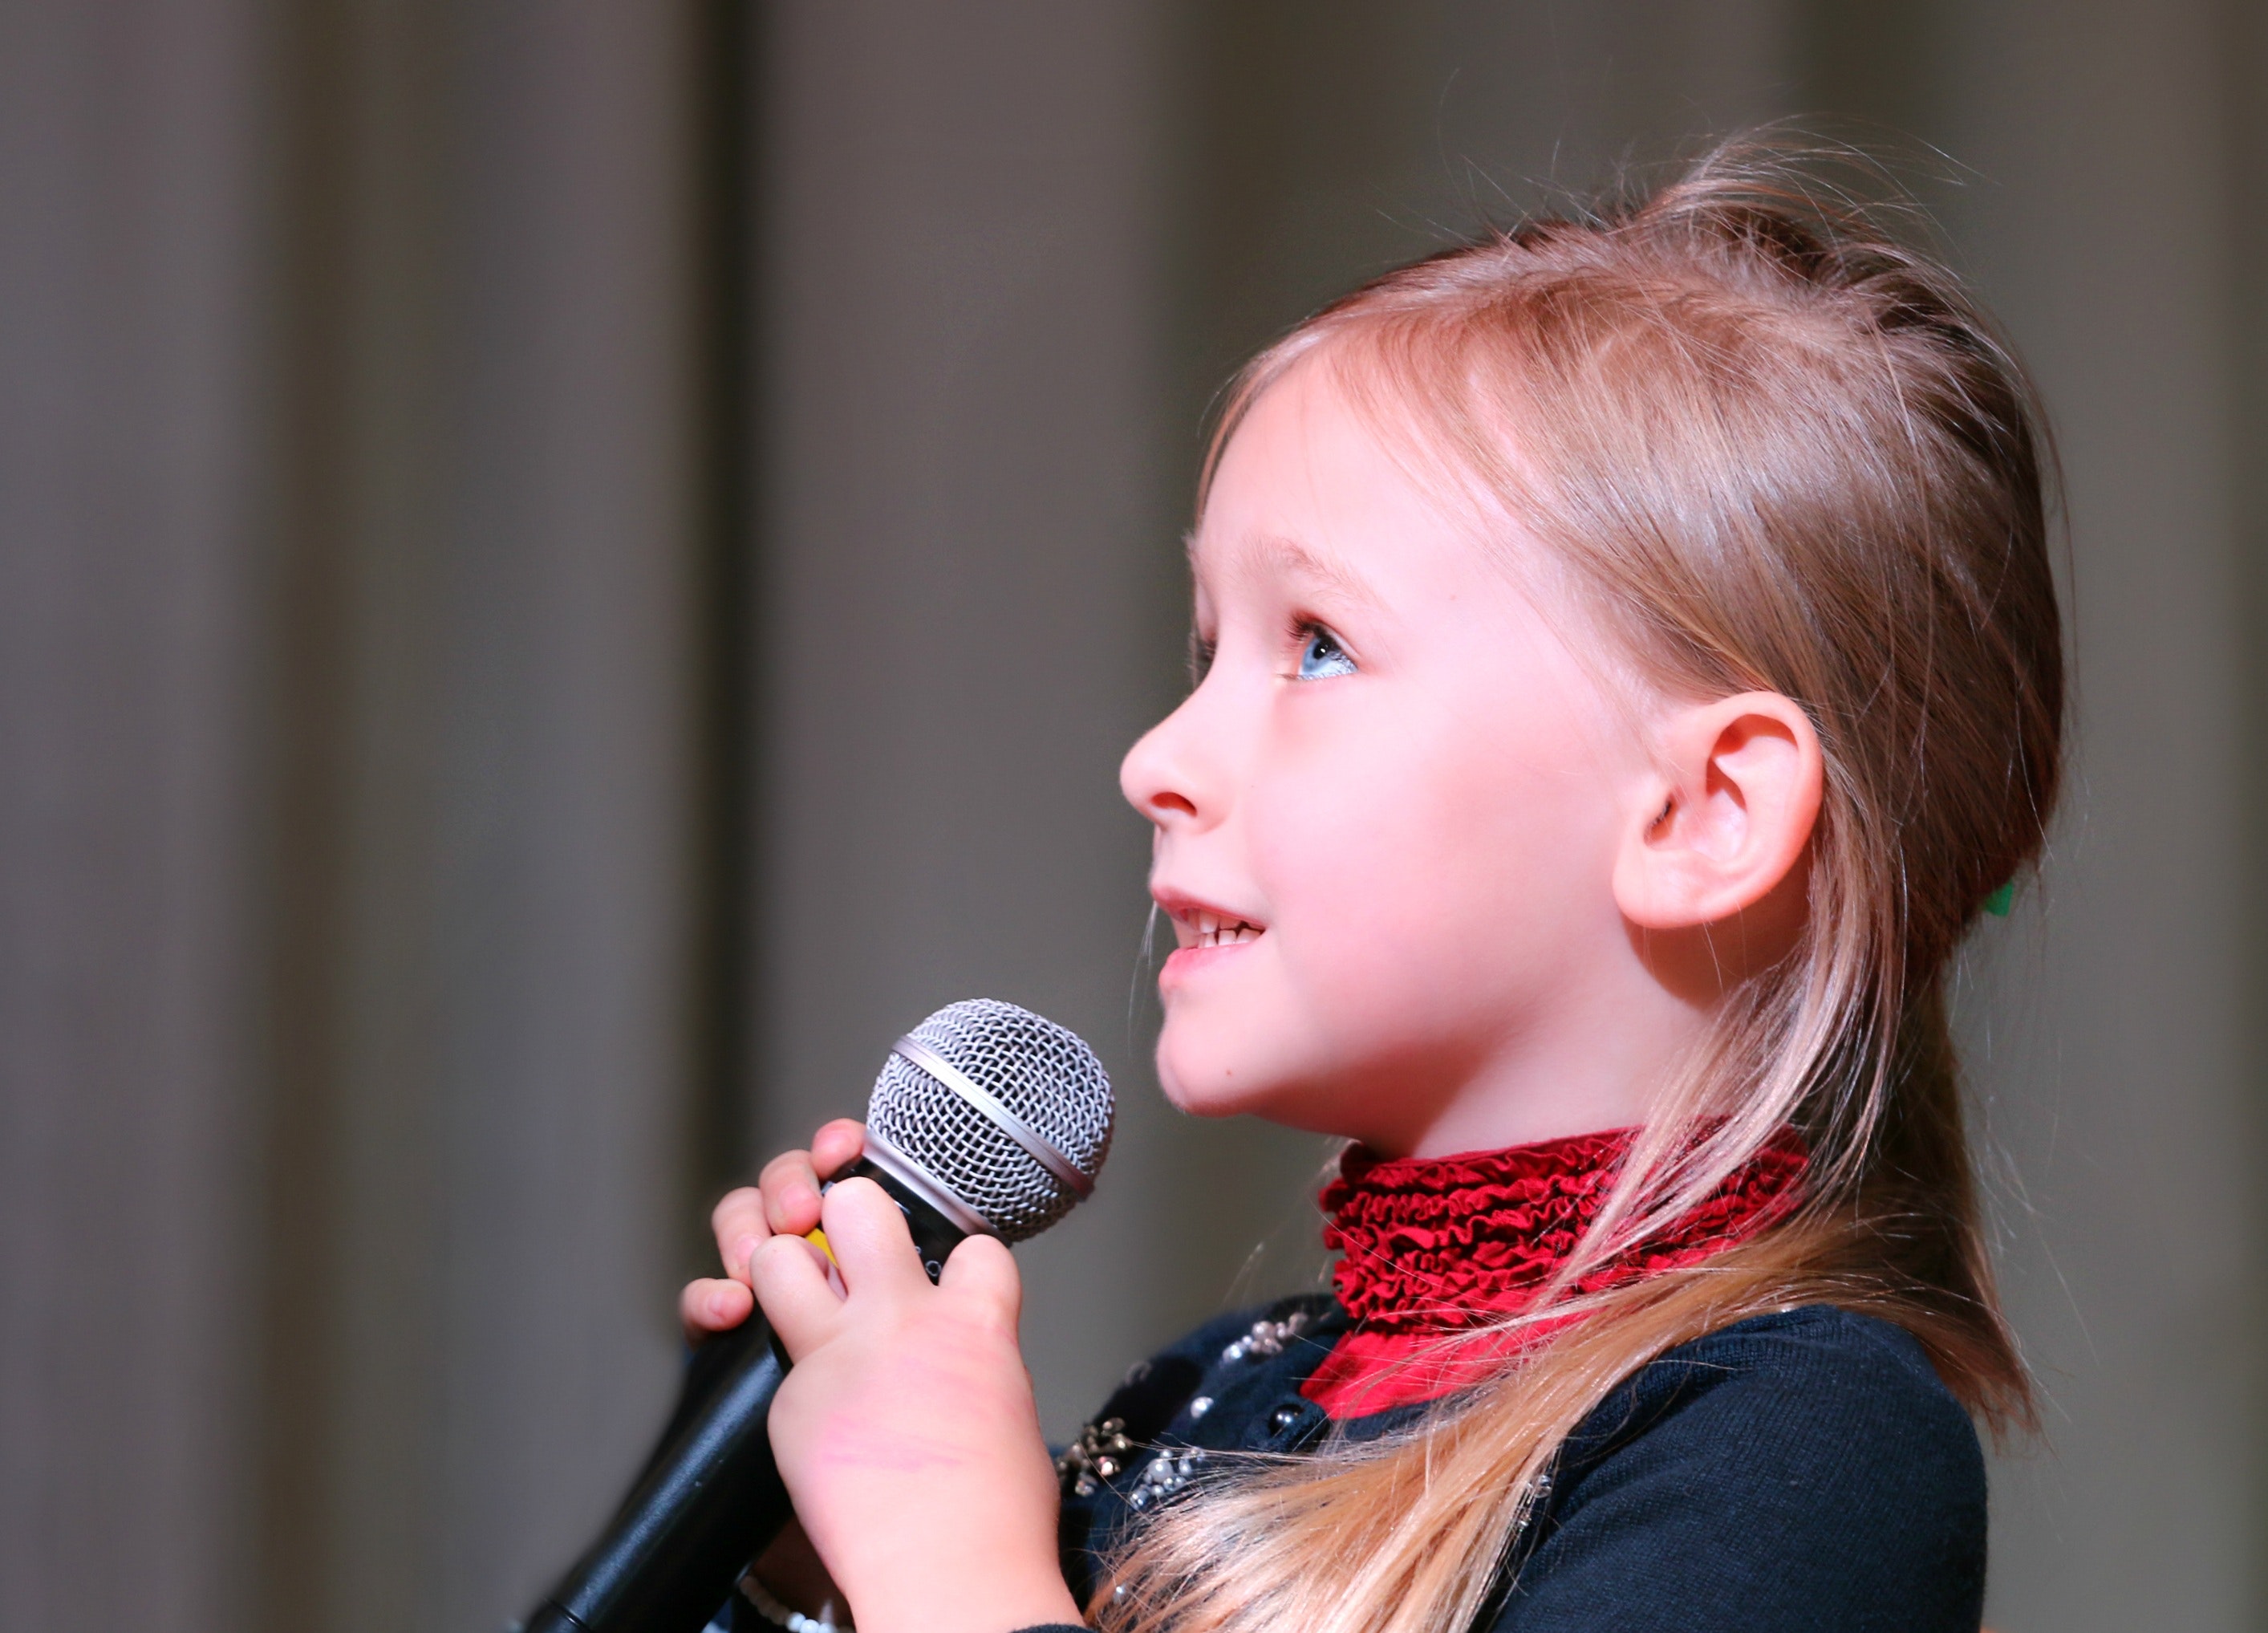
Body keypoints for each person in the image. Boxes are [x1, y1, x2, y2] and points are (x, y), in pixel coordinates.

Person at [680, 139, 2062, 1633]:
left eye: (1318, 645)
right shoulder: (1202, 1397)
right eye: (1208, 651)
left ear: (1703, 810)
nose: (1156, 758)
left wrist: (954, 1572)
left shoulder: (1794, 1441)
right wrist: (818, 1584)